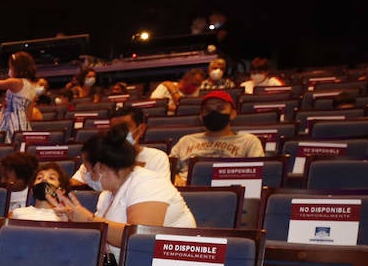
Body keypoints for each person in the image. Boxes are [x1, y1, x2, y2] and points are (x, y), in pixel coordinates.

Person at [50, 126, 196, 252]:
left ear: (101, 168)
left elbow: (139, 240)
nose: (86, 176)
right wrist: (73, 221)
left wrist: (89, 220)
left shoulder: (148, 183)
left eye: (88, 170)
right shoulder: (106, 195)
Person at [70, 106, 170, 186]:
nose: (119, 133)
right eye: (115, 129)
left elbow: (159, 190)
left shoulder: (157, 157)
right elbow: (75, 183)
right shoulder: (99, 155)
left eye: (125, 127)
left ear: (141, 129)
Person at [167, 91, 264, 166]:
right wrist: (176, 177)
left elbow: (257, 174)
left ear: (233, 114)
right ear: (201, 116)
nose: (214, 113)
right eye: (208, 110)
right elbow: (166, 170)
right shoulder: (186, 141)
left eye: (220, 108)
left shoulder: (249, 142)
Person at [0, 50, 38, 140]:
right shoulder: (31, 86)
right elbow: (28, 114)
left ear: (17, 68)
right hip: (23, 123)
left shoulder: (15, 82)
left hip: (11, 123)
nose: (9, 70)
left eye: (11, 67)